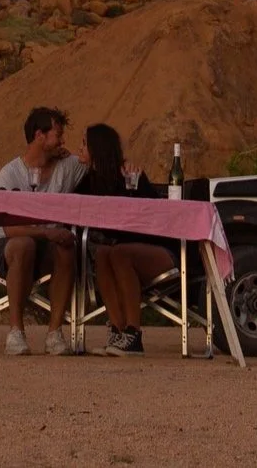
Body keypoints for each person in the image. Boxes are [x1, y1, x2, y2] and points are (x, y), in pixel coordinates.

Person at [74, 123, 176, 356]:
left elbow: (155, 215)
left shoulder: (130, 174)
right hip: (122, 255)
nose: (79, 148)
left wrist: (135, 184)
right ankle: (118, 330)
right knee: (102, 255)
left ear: (97, 148)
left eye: (83, 143)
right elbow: (71, 205)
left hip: (159, 252)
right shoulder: (91, 180)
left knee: (118, 253)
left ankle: (133, 333)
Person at [0, 106, 85, 355]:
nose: (63, 140)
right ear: (39, 136)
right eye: (57, 134)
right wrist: (46, 233)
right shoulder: (10, 173)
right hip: (11, 247)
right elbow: (10, 229)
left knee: (67, 247)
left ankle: (54, 334)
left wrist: (126, 165)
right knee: (24, 245)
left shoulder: (67, 167)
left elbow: (97, 160)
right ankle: (16, 332)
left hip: (49, 247)